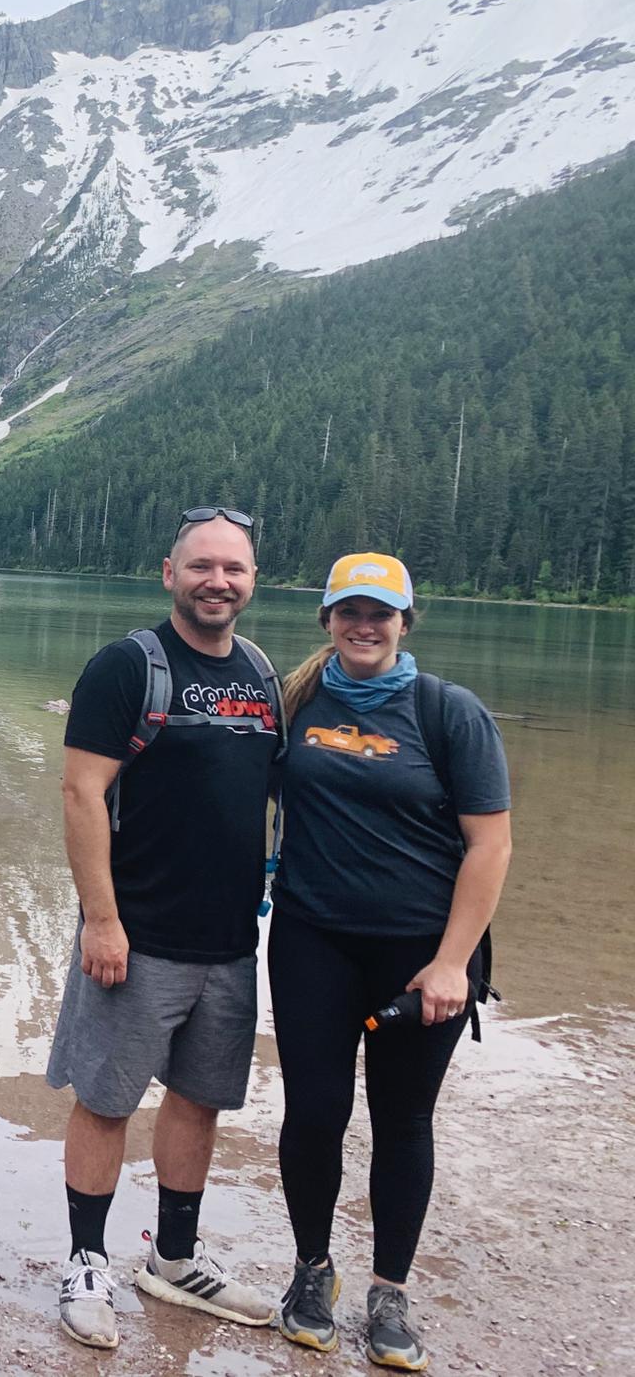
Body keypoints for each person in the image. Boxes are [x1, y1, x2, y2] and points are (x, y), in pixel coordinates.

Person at [270, 553, 512, 1371]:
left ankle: (389, 1291)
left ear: (406, 621)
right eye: (350, 611)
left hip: (418, 955)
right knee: (314, 1111)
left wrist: (452, 963)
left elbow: (489, 846)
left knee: (403, 1120)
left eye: (380, 613)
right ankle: (312, 1272)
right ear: (328, 619)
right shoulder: (296, 700)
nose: (364, 626)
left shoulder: (449, 713)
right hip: (310, 939)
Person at [48, 506, 282, 1349]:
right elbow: (81, 794)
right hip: (137, 937)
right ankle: (86, 1262)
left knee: (199, 1100)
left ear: (252, 581)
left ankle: (174, 1260)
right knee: (106, 1101)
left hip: (229, 943)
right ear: (169, 574)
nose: (218, 582)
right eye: (201, 566)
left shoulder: (259, 672)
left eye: (234, 569)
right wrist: (102, 921)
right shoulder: (127, 667)